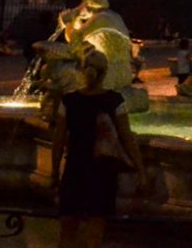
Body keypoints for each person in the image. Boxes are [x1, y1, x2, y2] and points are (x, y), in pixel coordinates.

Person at [51, 49, 142, 248]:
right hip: (102, 172)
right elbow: (127, 138)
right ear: (105, 72)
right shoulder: (114, 101)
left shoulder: (69, 101)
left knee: (67, 232)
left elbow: (58, 140)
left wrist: (53, 173)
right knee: (95, 233)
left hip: (74, 170)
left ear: (82, 71)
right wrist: (140, 170)